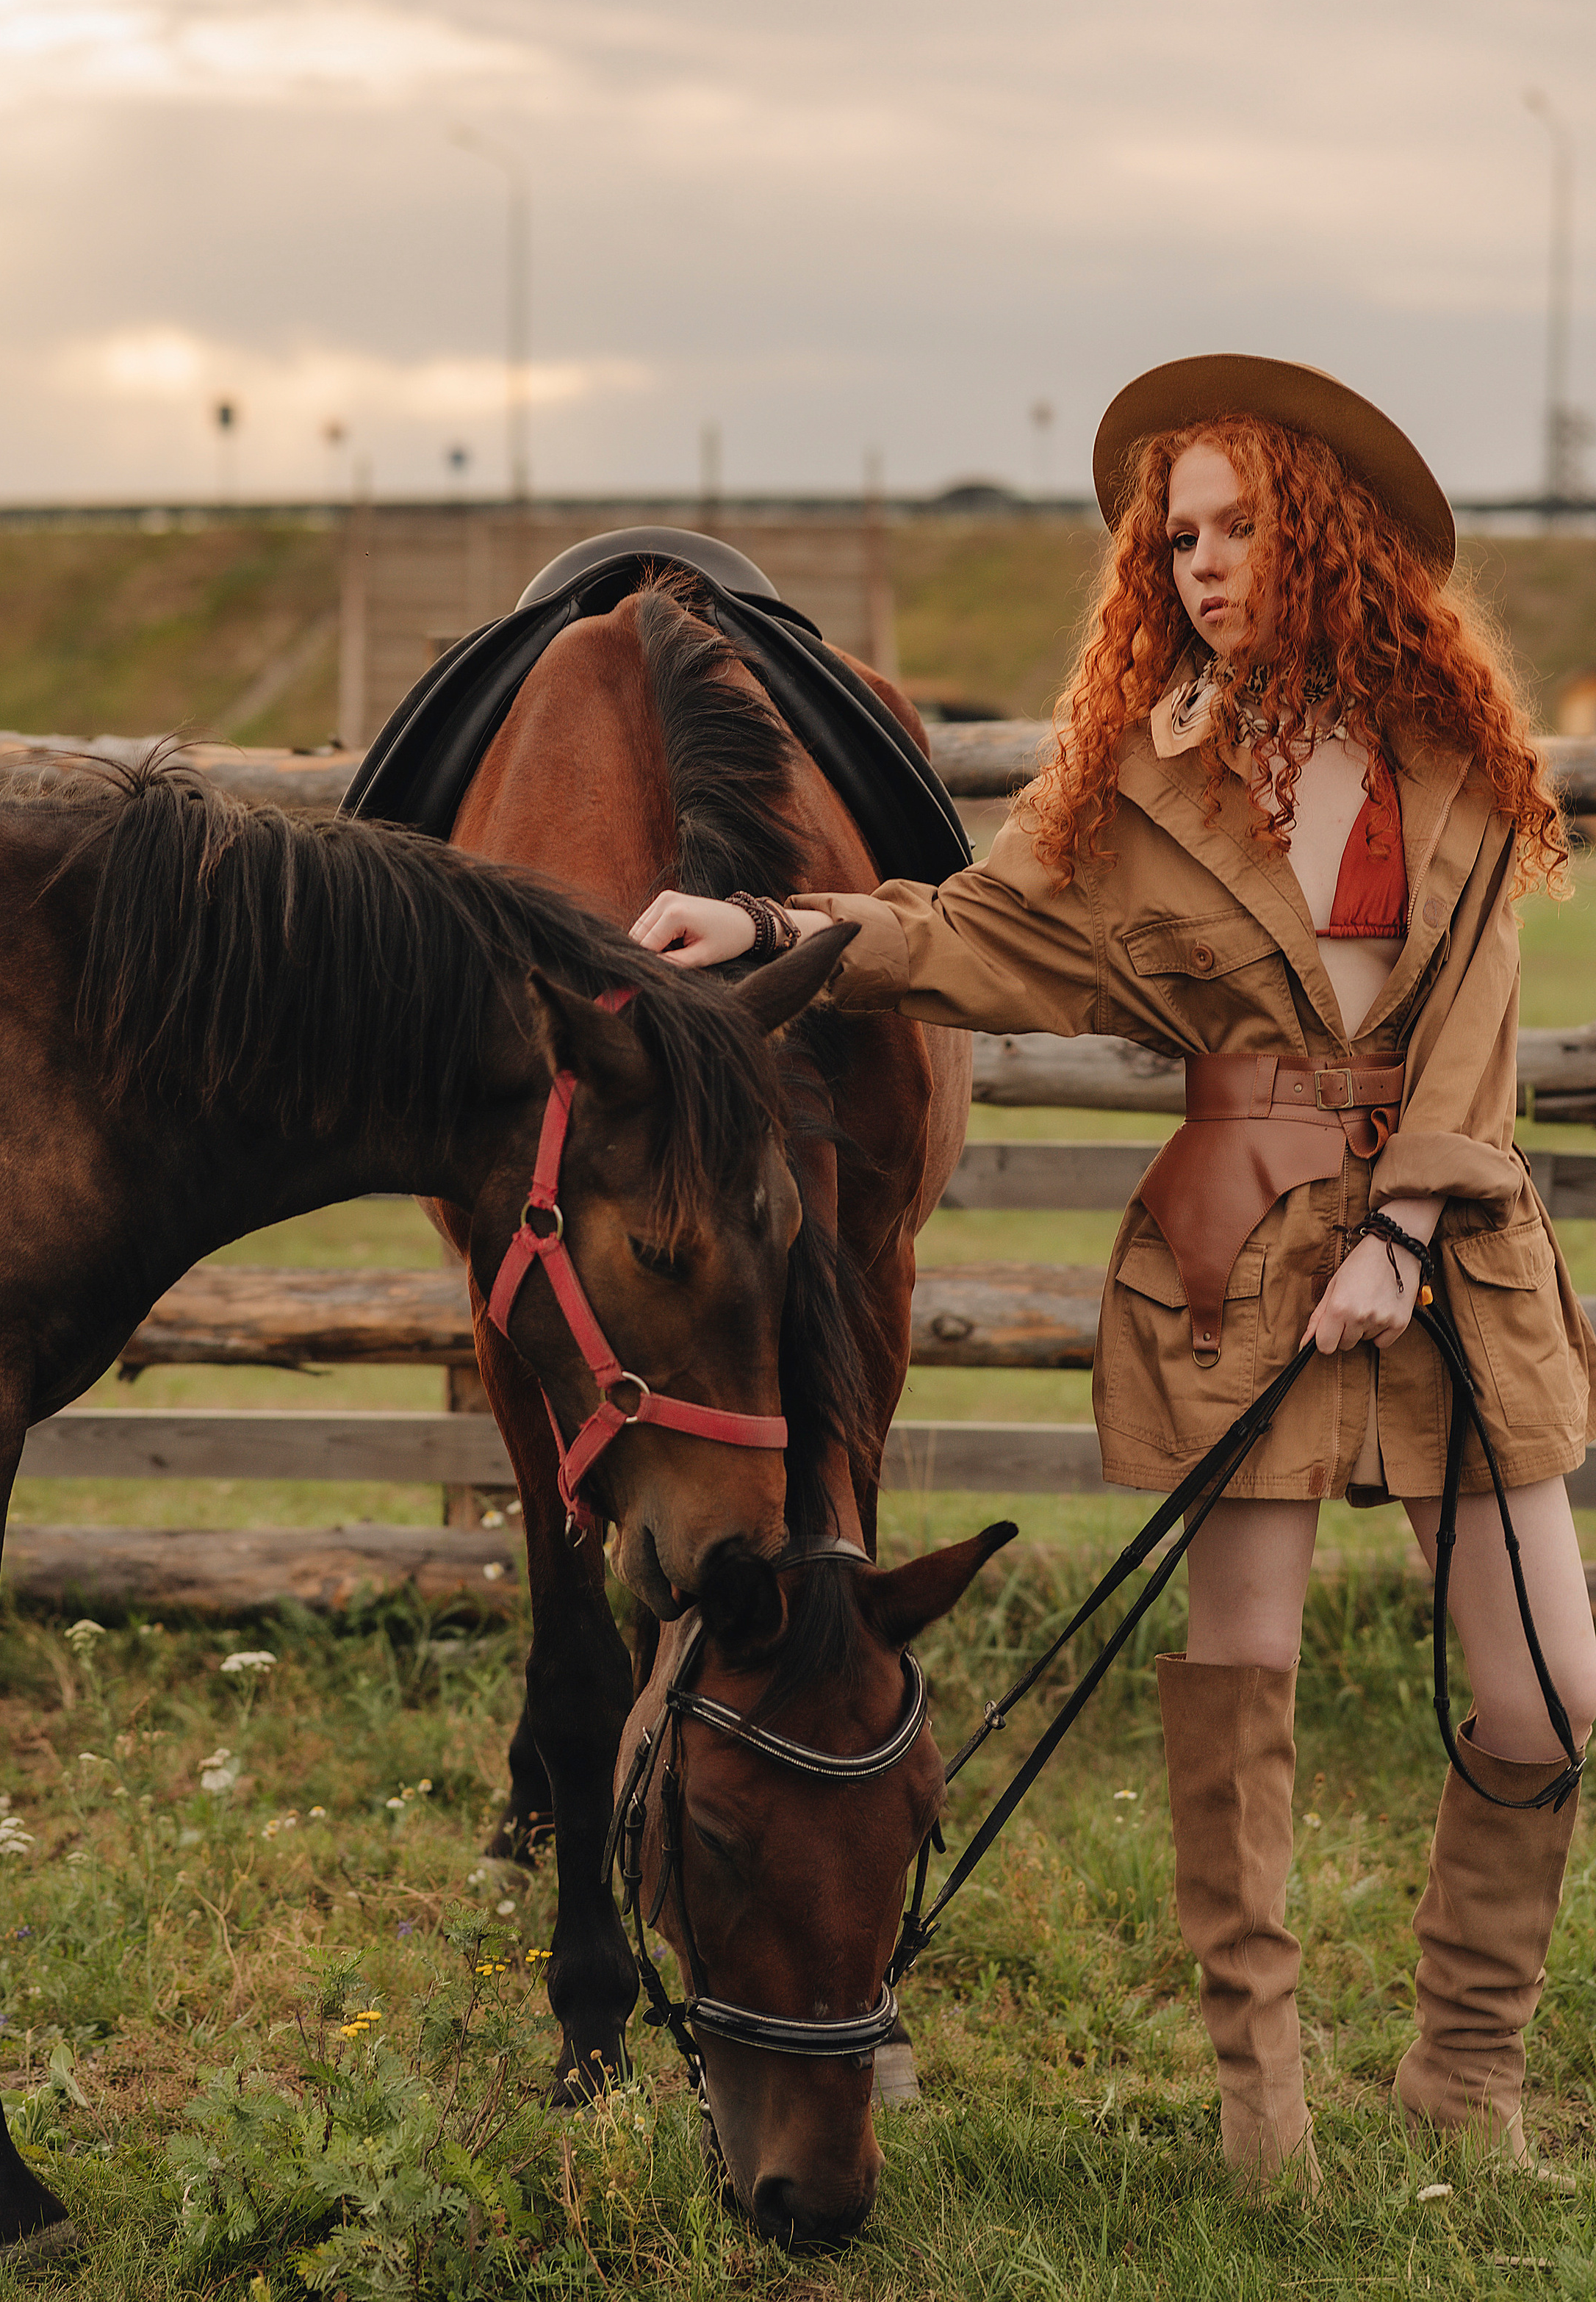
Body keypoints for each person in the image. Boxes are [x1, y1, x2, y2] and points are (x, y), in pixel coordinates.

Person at [630, 353, 1596, 2190]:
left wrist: (1402, 1225)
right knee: (1239, 1672)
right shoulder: (1136, 776)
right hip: (1235, 1254)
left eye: (1239, 528)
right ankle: (1262, 2108)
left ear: (1322, 536)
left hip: (1455, 1253)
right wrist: (767, 922)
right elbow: (969, 934)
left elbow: (1473, 1020)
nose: (1203, 565)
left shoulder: (1455, 753)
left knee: (1545, 1688)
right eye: (1179, 538)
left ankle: (1465, 2086)